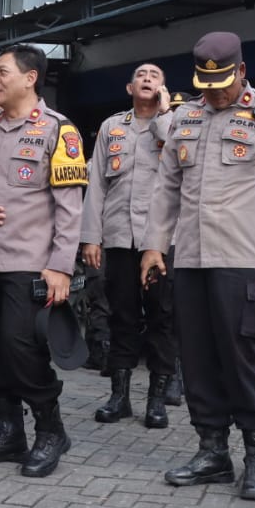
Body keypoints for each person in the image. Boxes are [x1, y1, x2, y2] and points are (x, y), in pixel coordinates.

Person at [142, 32, 255, 502]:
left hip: (242, 258)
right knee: (196, 359)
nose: (215, 94)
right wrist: (154, 246)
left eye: (222, 84)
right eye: (206, 85)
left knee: (242, 360)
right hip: (190, 259)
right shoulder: (185, 116)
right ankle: (212, 451)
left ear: (241, 71)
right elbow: (166, 187)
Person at [0, 45, 87, 478]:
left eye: (3, 72)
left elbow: (70, 207)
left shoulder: (58, 130)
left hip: (30, 263)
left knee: (21, 348)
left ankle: (50, 430)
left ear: (30, 78)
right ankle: (9, 432)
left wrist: (61, 266)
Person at [80, 62, 177, 428]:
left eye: (155, 76)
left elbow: (177, 155)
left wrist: (165, 113)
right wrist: (91, 236)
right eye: (141, 75)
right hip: (120, 237)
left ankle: (157, 400)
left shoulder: (175, 123)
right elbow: (97, 186)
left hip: (161, 241)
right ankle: (119, 397)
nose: (147, 78)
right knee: (122, 317)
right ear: (129, 88)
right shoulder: (111, 127)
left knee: (161, 318)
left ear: (163, 88)